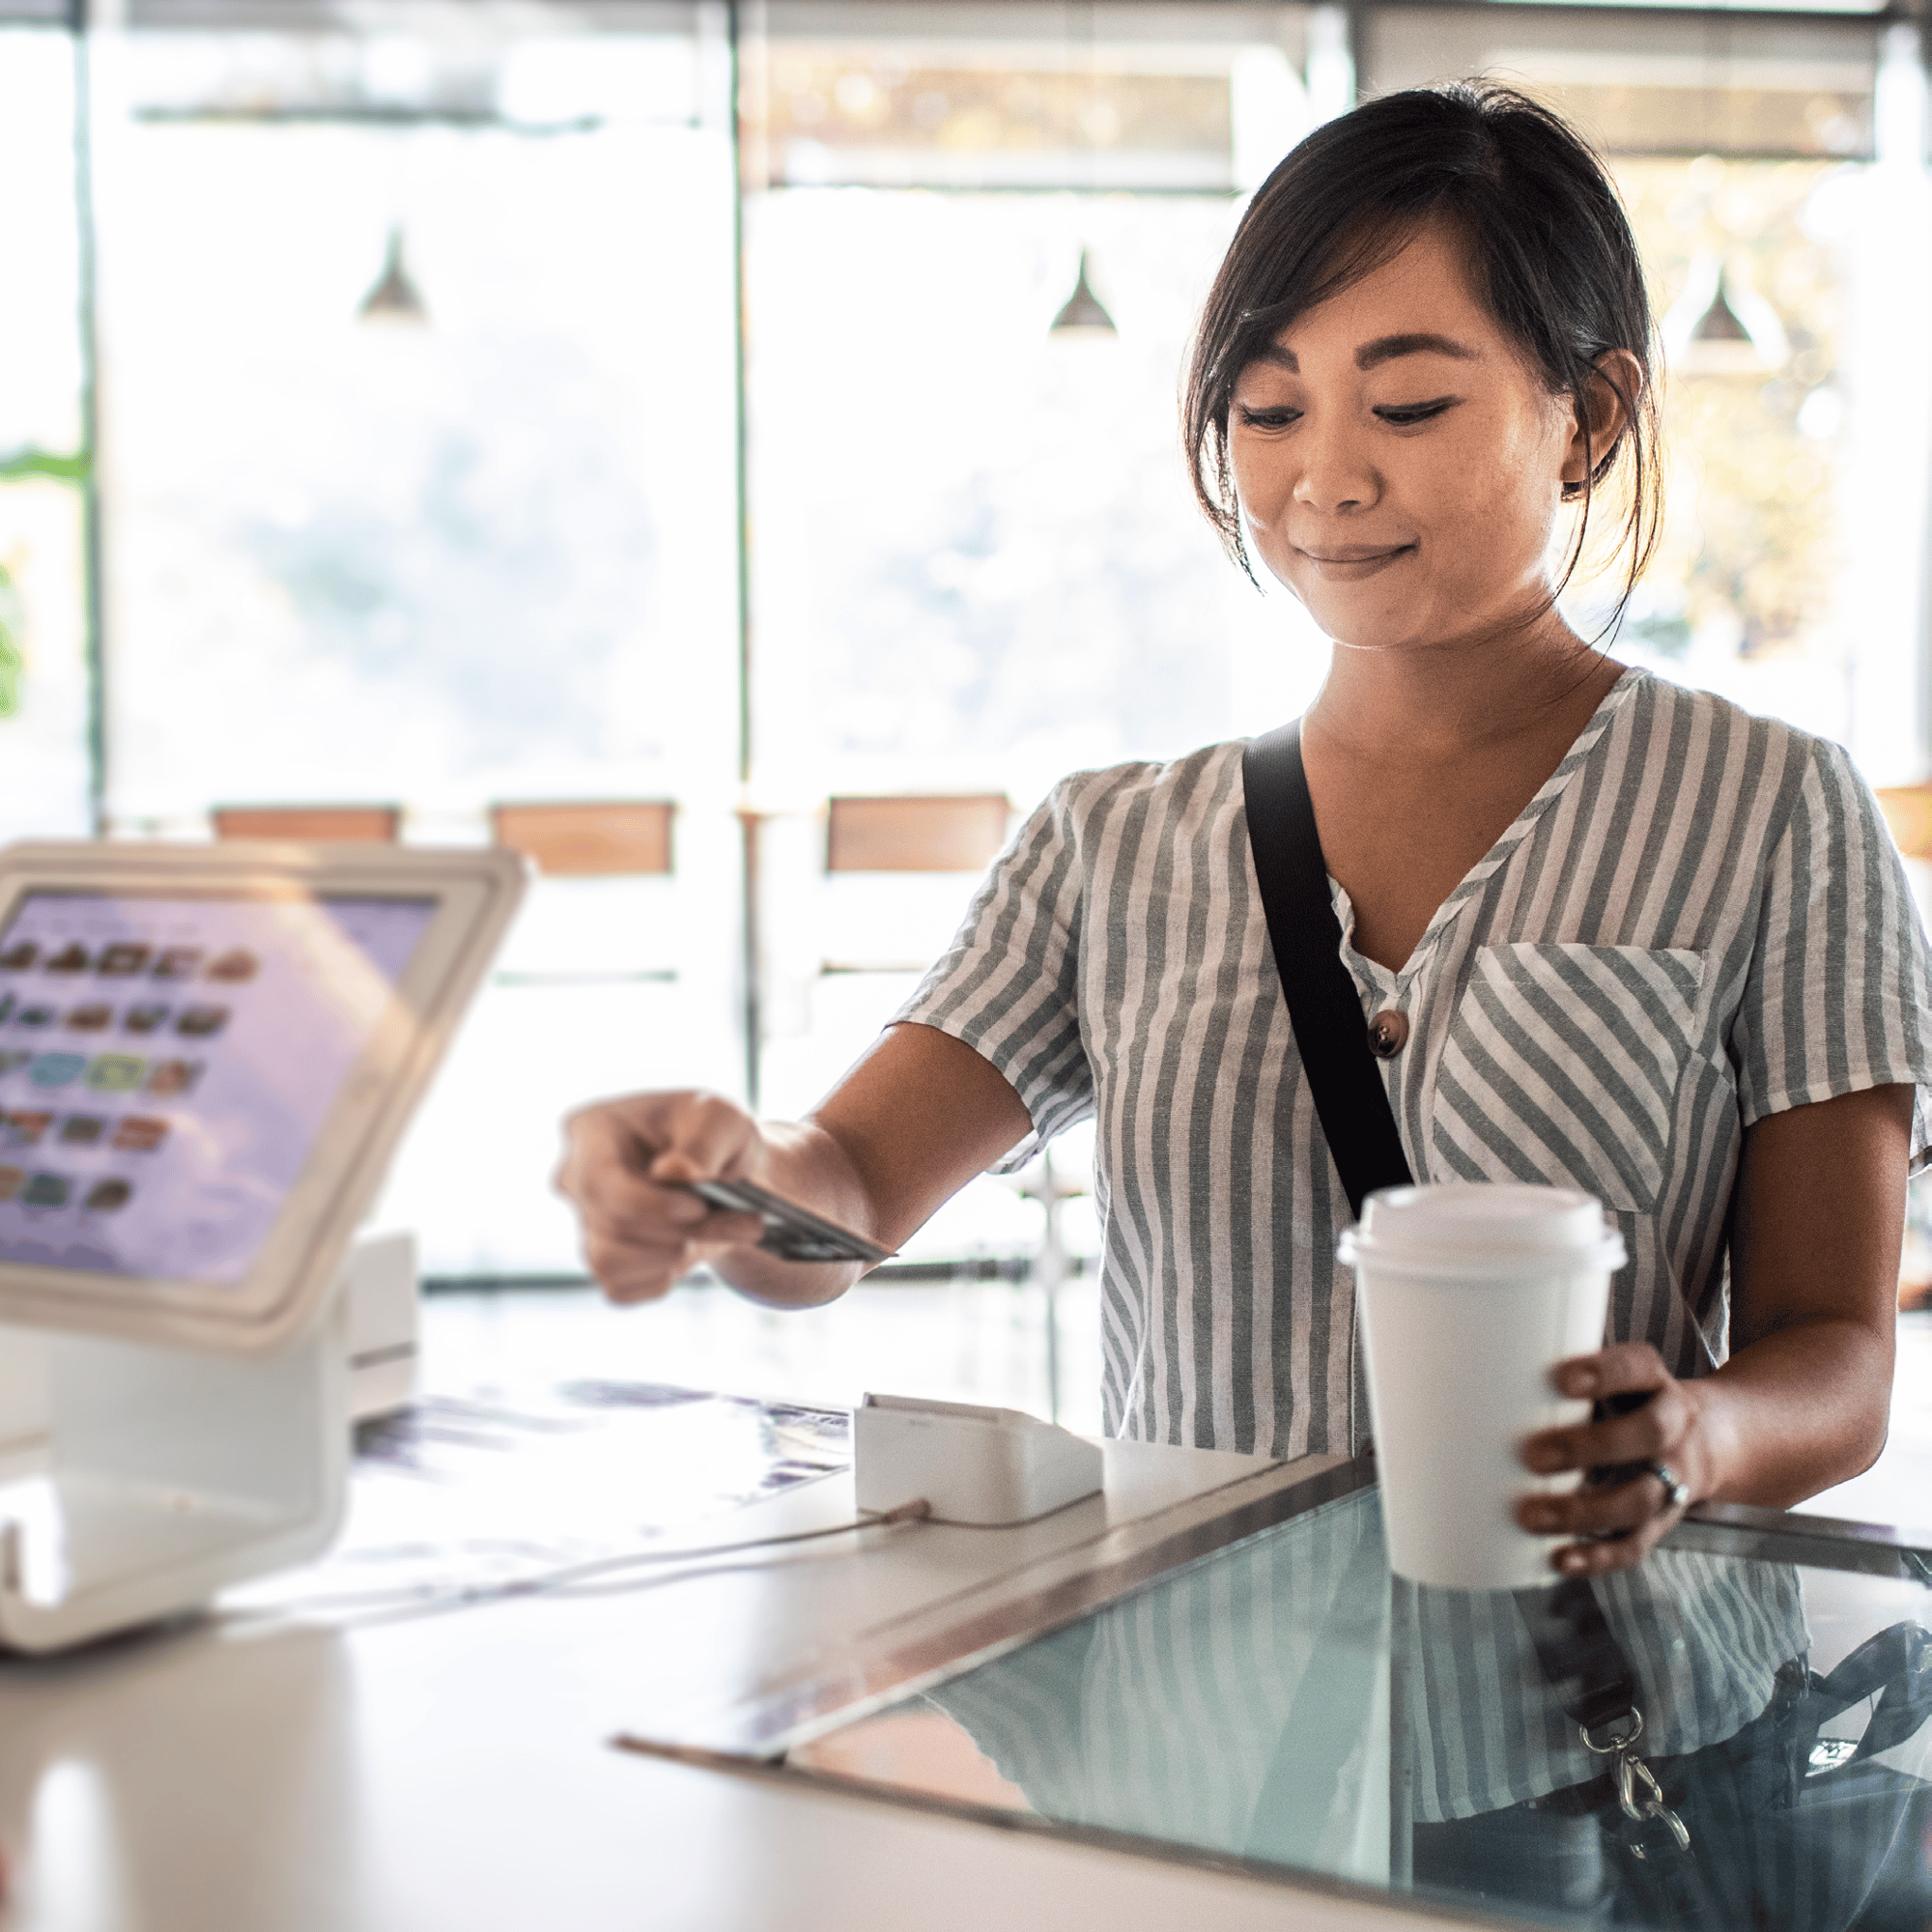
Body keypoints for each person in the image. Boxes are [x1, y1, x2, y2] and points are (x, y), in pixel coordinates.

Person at [557, 82, 1932, 1581]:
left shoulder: (1773, 812)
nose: (1323, 480)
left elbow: (1840, 1359)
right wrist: (719, 1184)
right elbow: (842, 1203)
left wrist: (1697, 1439)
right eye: (1268, 409)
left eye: (1408, 404)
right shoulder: (1112, 847)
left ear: (1586, 419)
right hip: (1189, 1728)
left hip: (1590, 1727)